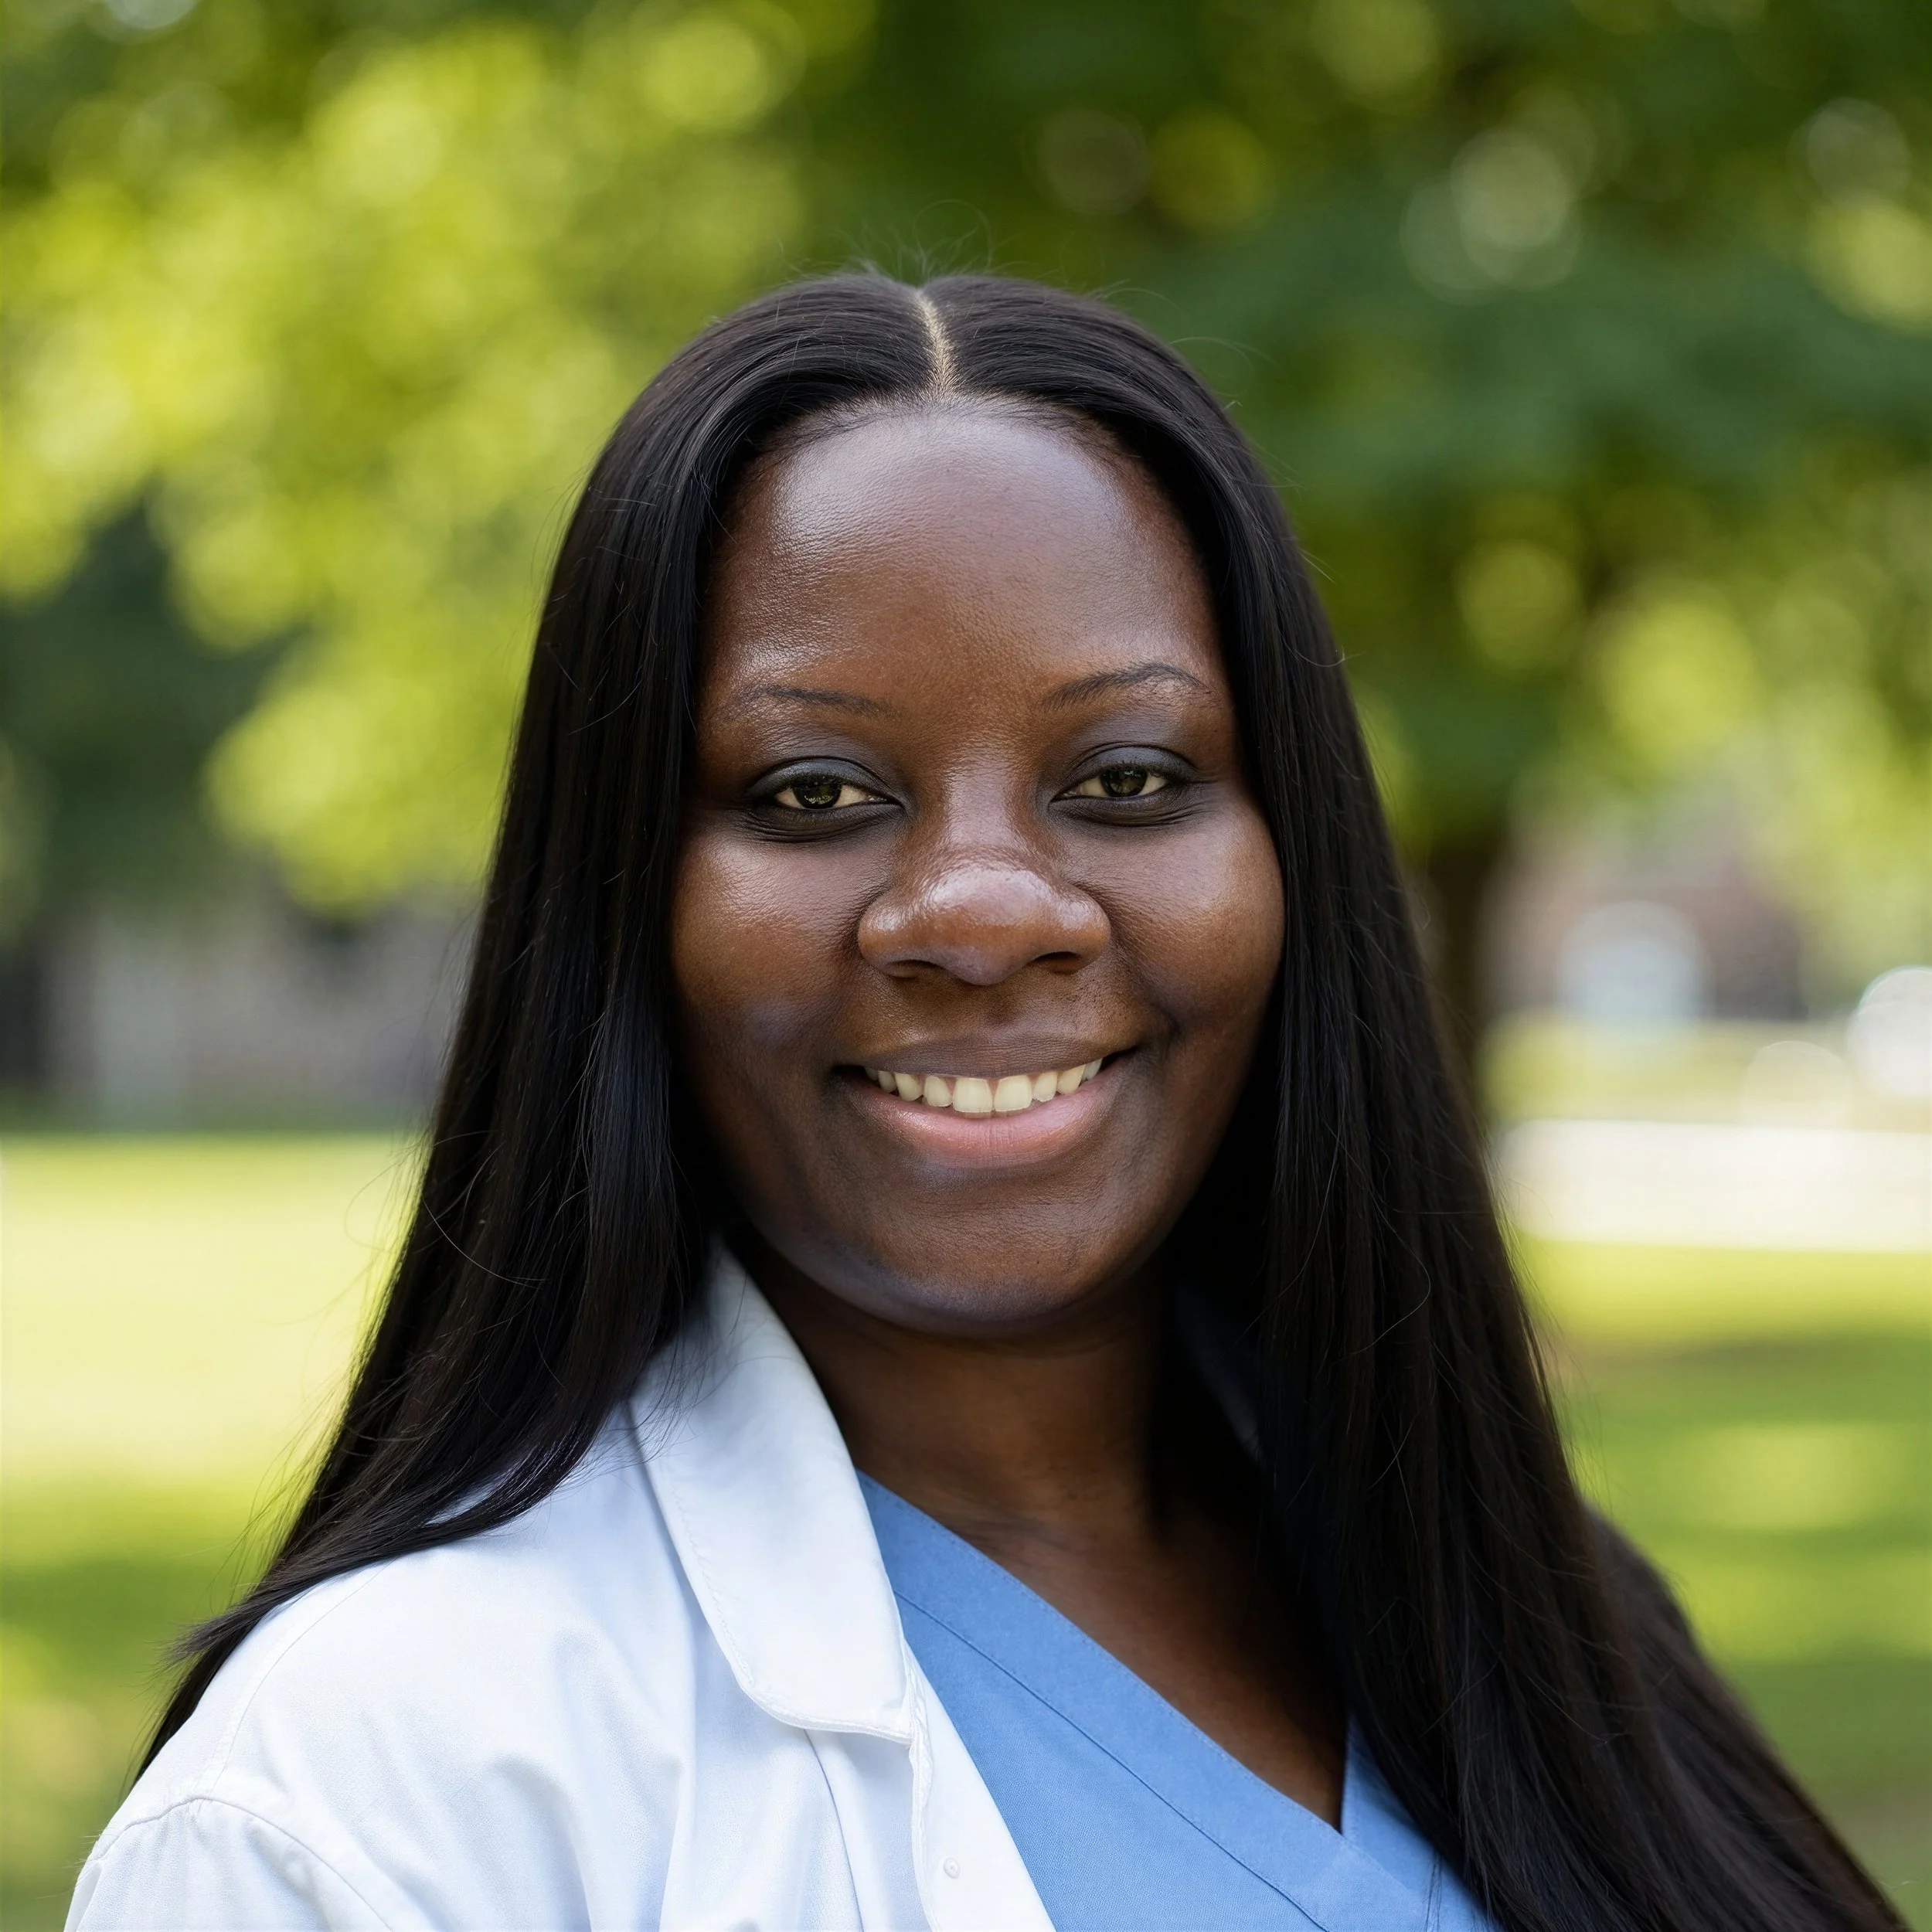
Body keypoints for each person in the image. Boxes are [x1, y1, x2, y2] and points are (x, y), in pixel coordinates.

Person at [68, 274, 1896, 1932]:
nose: (980, 909)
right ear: (617, 894)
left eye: (1121, 774)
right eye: (809, 793)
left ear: (1289, 856)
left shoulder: (1544, 1620)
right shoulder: (368, 1797)